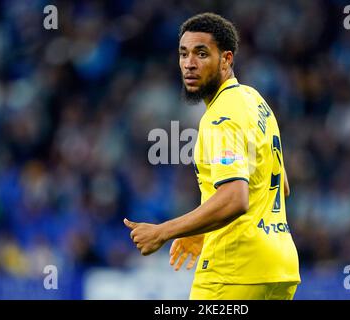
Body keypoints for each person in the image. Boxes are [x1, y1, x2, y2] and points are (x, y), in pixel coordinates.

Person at [124, 12, 300, 300]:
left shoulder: (220, 117)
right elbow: (279, 182)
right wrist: (202, 231)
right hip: (278, 266)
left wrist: (163, 231)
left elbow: (235, 198)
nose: (189, 64)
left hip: (233, 269)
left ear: (227, 59)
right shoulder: (255, 102)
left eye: (201, 54)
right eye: (184, 54)